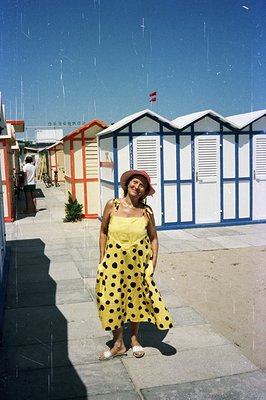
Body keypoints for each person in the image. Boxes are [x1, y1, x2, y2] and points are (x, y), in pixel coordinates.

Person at [96, 169, 173, 361]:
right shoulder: (112, 205)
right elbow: (103, 232)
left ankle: (134, 340)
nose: (136, 187)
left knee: (137, 301)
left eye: (142, 185)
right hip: (114, 264)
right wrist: (102, 259)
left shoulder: (146, 212)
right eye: (134, 182)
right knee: (113, 301)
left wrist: (153, 262)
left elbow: (153, 238)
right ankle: (118, 344)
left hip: (138, 264)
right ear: (127, 184)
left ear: (145, 191)